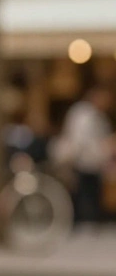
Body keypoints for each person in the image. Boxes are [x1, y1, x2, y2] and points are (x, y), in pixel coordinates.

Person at [56, 86, 114, 226]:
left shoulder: (99, 116)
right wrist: (103, 148)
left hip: (94, 166)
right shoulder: (83, 114)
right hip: (82, 164)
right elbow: (82, 143)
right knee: (85, 202)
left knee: (92, 200)